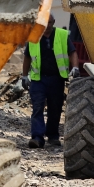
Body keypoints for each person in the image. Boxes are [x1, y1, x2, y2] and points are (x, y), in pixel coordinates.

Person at [25, 14, 71, 149]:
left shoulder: (62, 35)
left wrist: (74, 68)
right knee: (37, 107)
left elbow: (72, 52)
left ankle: (53, 136)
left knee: (55, 109)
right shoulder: (34, 37)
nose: (47, 26)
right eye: (45, 23)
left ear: (54, 22)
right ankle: (37, 138)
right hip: (38, 79)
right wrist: (24, 76)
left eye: (50, 23)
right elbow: (27, 57)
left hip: (56, 79)